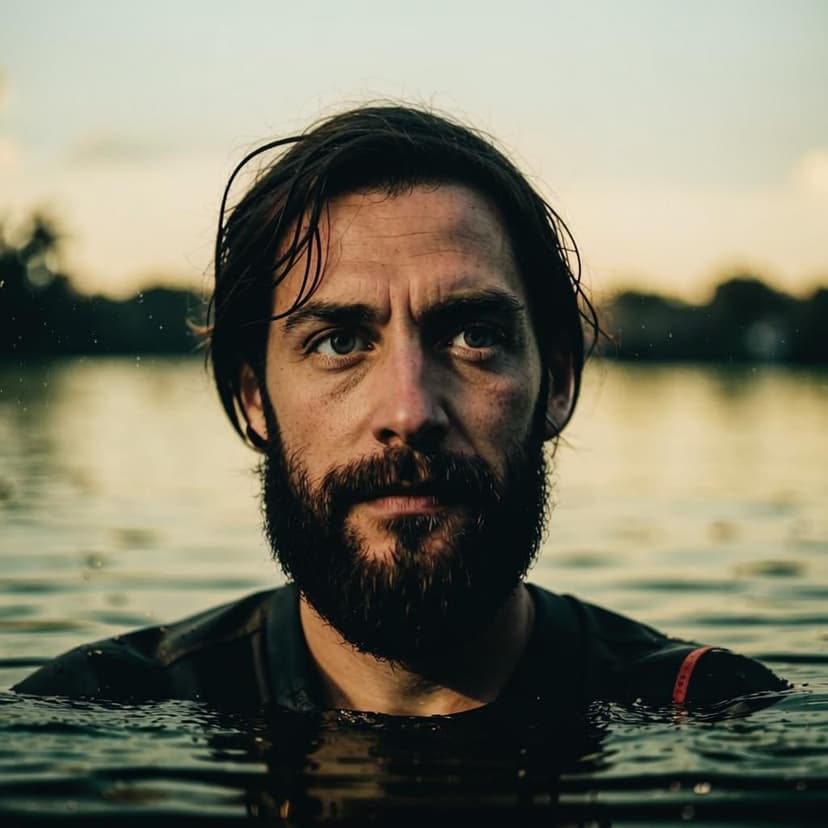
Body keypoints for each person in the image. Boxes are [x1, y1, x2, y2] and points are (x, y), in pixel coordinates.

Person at [14, 105, 787, 715]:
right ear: (254, 398)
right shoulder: (99, 710)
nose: (411, 411)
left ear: (557, 382)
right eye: (339, 342)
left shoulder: (711, 714)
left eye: (475, 336)